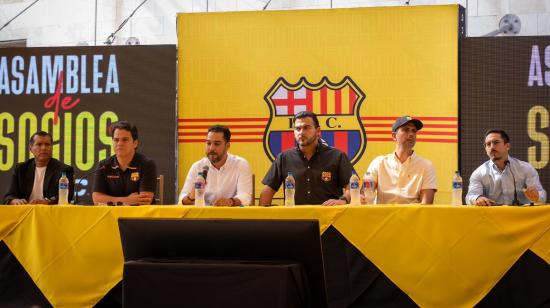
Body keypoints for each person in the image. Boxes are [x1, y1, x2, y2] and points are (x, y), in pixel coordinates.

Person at [259, 111, 354, 206]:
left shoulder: (337, 156)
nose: (301, 132)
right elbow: (267, 191)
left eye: (306, 128)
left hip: (330, 217)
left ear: (318, 131)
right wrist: (262, 217)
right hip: (296, 219)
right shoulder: (284, 158)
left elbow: (353, 188)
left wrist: (343, 200)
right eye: (297, 129)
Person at [366, 116, 437, 204]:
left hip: (412, 216)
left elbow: (426, 204)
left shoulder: (426, 166)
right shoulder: (379, 163)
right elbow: (365, 194)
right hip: (382, 216)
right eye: (406, 129)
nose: (411, 134)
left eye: (413, 131)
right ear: (394, 136)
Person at [466, 129, 546, 206]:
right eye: (488, 144)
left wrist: (537, 196)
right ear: (485, 149)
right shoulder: (479, 173)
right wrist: (478, 198)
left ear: (507, 146)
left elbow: (542, 197)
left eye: (496, 142)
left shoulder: (525, 169)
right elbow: (470, 196)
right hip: (493, 217)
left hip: (522, 217)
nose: (492, 147)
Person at [179, 125, 252, 206]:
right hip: (203, 216)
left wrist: (230, 201)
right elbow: (181, 200)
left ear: (227, 146)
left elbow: (245, 197)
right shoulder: (197, 167)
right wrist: (190, 198)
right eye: (208, 143)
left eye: (216, 144)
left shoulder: (240, 164)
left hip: (231, 216)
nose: (211, 148)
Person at [92, 121, 157, 205]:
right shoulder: (103, 165)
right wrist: (128, 200)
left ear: (135, 143)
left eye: (125, 140)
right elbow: (97, 199)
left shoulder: (147, 164)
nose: (119, 144)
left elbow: (145, 200)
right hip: (111, 216)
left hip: (139, 216)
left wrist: (112, 200)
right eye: (116, 140)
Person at [3, 131, 74, 205]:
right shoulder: (21, 169)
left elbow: (67, 196)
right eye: (39, 144)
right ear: (31, 148)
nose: (43, 148)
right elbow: (8, 196)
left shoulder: (64, 170)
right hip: (25, 213)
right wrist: (14, 200)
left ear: (51, 147)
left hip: (51, 213)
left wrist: (47, 202)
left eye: (47, 145)